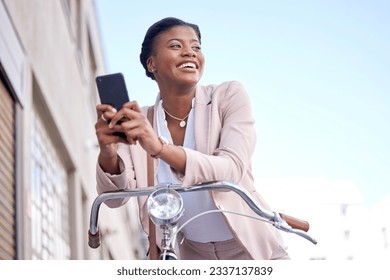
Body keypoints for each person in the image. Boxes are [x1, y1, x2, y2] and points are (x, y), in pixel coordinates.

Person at [95, 17, 289, 260]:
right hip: (193, 255)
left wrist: (160, 148)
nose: (190, 52)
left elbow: (231, 169)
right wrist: (108, 153)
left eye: (196, 47)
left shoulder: (228, 96)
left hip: (252, 250)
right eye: (176, 46)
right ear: (151, 63)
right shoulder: (142, 120)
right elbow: (117, 199)